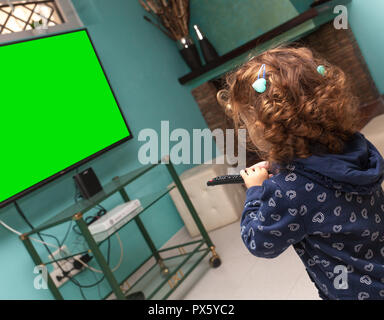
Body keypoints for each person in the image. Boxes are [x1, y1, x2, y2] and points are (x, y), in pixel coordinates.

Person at [217, 46, 384, 300]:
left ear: (263, 125)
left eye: (245, 122)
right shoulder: (356, 145)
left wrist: (255, 192)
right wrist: (283, 168)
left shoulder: (287, 192)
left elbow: (259, 241)